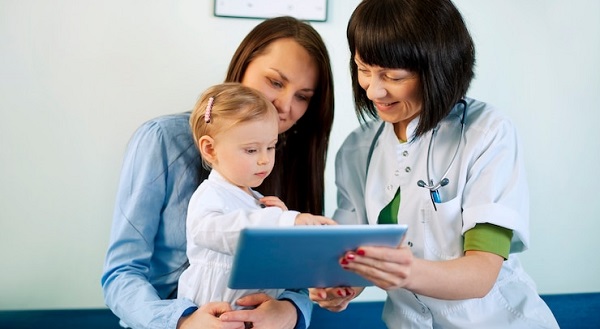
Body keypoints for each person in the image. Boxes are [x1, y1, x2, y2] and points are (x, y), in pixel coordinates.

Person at [310, 0, 559, 328]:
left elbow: (481, 274)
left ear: (439, 67)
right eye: (364, 69)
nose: (374, 89)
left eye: (392, 75)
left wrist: (404, 270)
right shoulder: (358, 148)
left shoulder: (486, 133)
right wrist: (342, 286)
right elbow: (355, 253)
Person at [101, 16, 334, 329]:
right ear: (242, 67)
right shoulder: (162, 139)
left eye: (303, 96)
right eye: (275, 82)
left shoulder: (287, 157)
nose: (284, 106)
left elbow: (295, 277)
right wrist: (182, 323)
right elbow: (122, 273)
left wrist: (290, 311)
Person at [178, 83, 335, 312]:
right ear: (210, 150)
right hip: (217, 313)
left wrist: (288, 224)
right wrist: (282, 221)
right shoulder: (210, 194)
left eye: (271, 147)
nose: (264, 160)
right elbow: (212, 231)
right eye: (251, 150)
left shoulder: (259, 201)